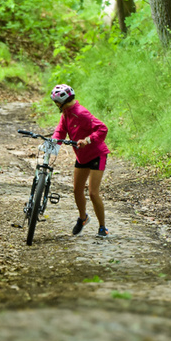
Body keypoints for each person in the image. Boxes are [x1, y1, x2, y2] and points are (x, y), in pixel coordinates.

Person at [50, 84, 111, 237]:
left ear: (61, 102)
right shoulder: (66, 113)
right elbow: (60, 131)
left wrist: (88, 140)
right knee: (77, 190)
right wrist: (51, 145)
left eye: (56, 102)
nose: (56, 105)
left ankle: (102, 227)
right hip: (82, 156)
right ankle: (83, 218)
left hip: (97, 154)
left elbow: (102, 128)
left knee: (93, 193)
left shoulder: (80, 113)